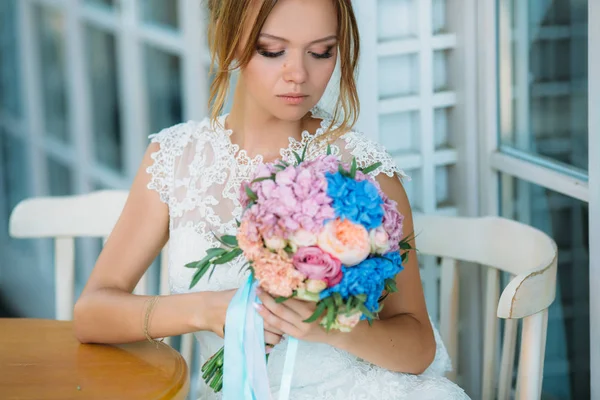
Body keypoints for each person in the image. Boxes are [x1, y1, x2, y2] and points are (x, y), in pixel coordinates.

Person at [73, 0, 470, 398]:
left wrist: (331, 326)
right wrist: (206, 310)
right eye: (272, 50)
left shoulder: (363, 174)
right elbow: (92, 313)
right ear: (227, 40)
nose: (298, 74)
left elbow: (418, 346)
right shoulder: (176, 158)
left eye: (321, 52)